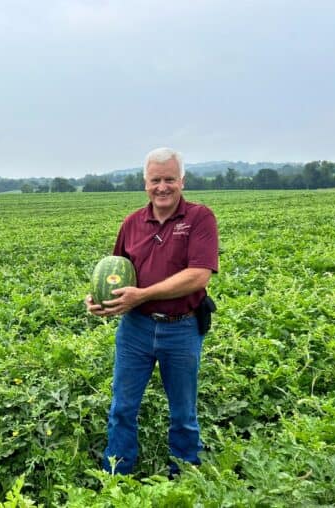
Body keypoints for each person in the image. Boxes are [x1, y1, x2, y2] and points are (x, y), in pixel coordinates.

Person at [85, 147, 219, 475]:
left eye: (169, 179)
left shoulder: (200, 218)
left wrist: (142, 294)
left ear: (182, 181)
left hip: (182, 328)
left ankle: (184, 478)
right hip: (135, 329)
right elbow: (116, 271)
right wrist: (100, 300)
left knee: (183, 413)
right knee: (122, 409)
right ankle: (117, 478)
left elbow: (198, 275)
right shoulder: (132, 223)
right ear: (145, 183)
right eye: (155, 180)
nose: (163, 186)